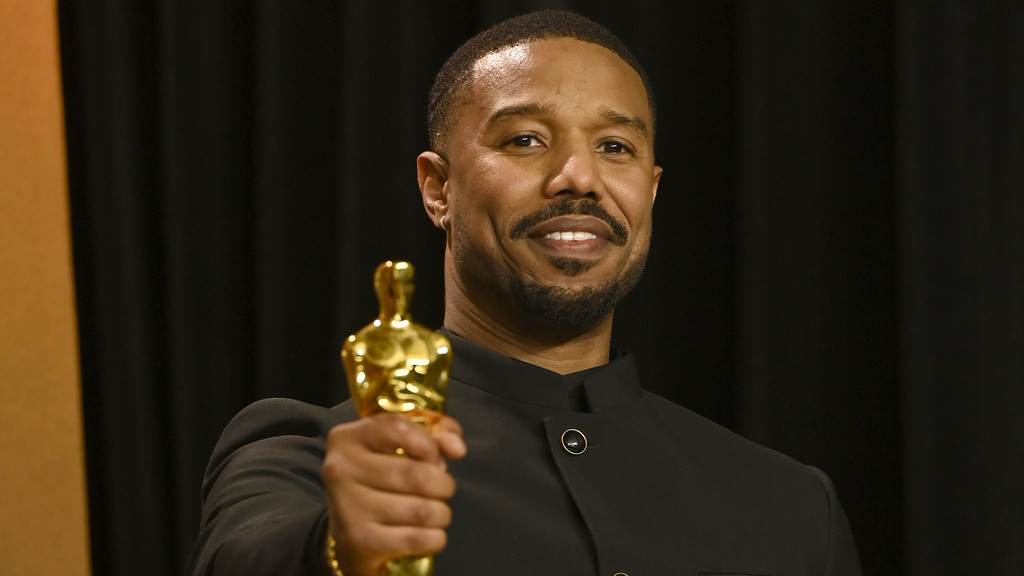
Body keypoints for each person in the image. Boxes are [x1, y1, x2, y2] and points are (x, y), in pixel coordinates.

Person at [187, 10, 861, 576]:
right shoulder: (304, 455)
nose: (578, 176)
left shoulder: (793, 506)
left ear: (650, 191)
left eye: (616, 147)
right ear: (436, 188)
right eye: (527, 139)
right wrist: (337, 549)